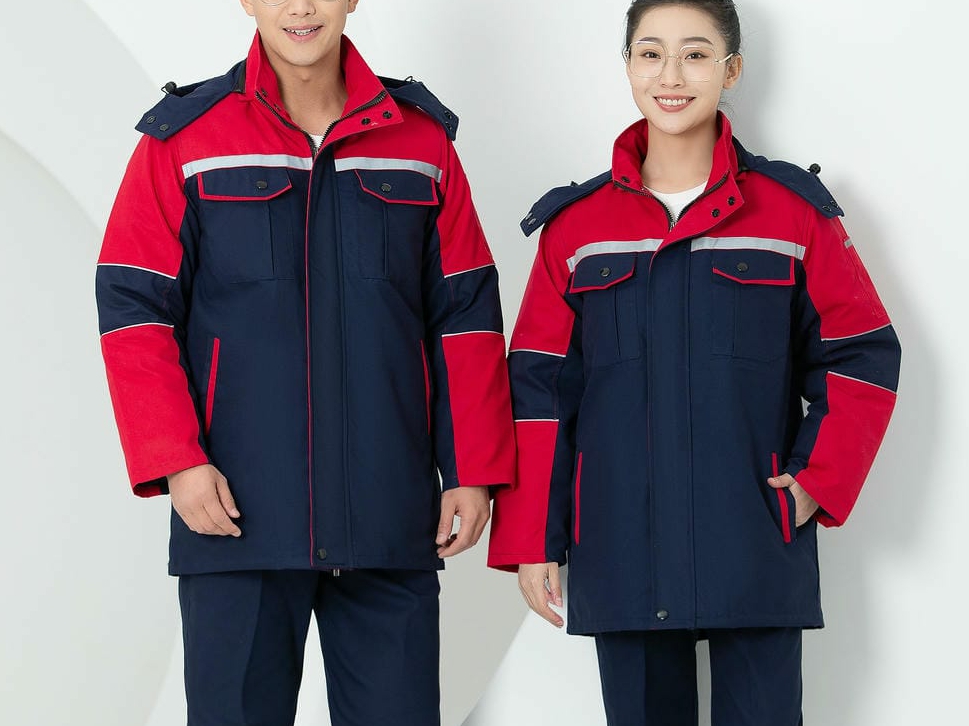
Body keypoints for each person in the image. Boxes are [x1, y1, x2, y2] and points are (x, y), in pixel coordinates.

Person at [95, 1, 516, 724]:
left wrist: (471, 467)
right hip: (236, 513)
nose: (300, 6)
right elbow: (135, 304)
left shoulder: (419, 141)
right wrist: (176, 458)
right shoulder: (186, 139)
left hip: (389, 510)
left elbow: (464, 312)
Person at [488, 1, 901, 724]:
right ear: (627, 66)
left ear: (730, 69)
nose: (670, 75)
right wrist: (531, 536)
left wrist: (815, 482)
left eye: (696, 54)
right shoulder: (577, 228)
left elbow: (861, 351)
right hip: (619, 541)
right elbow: (538, 388)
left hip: (752, 536)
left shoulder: (790, 213)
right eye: (650, 53)